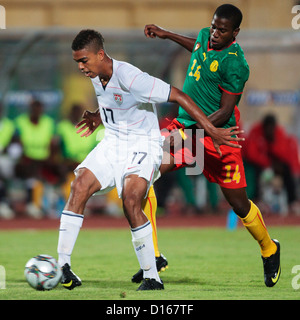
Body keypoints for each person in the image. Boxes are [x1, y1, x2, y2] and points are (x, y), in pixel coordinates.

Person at [57, 29, 243, 291]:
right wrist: (99, 116)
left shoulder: (131, 77)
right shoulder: (97, 74)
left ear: (100, 55)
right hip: (113, 142)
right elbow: (117, 101)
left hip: (143, 143)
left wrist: (211, 130)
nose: (80, 67)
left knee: (131, 200)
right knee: (79, 186)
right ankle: (62, 267)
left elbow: (179, 95)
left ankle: (152, 276)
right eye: (77, 61)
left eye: (84, 61)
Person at [141, 4, 281, 287]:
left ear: (235, 33)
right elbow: (198, 47)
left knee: (238, 203)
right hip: (187, 129)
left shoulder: (236, 64)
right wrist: (167, 34)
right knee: (145, 174)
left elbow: (226, 112)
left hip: (220, 137)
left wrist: (189, 131)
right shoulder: (206, 36)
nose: (214, 33)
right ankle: (153, 258)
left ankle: (269, 248)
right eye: (214, 26)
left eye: (222, 30)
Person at [244, 114, 299, 213]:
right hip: (260, 164)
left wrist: (272, 143)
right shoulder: (255, 131)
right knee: (254, 169)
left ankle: (292, 201)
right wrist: (267, 163)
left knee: (286, 168)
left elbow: (283, 154)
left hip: (274, 165)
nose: (270, 130)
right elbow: (251, 154)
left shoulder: (279, 132)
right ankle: (256, 200)